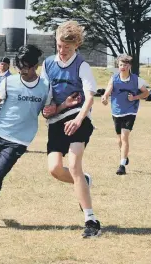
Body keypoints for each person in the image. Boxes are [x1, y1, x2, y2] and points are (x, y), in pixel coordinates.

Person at [0, 44, 81, 229]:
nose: (22, 71)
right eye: (19, 66)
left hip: (19, 141)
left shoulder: (45, 87)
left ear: (36, 66)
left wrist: (62, 107)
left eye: (26, 67)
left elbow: (47, 113)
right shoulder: (9, 82)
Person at [41, 20, 101, 238]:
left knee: (74, 166)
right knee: (55, 170)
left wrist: (78, 119)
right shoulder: (48, 64)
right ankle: (84, 182)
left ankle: (91, 220)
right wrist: (48, 109)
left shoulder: (82, 65)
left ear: (76, 45)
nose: (62, 51)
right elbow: (45, 95)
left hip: (79, 119)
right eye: (59, 45)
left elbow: (90, 98)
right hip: (57, 121)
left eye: (67, 47)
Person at [101, 54, 149, 175]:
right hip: (116, 111)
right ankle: (124, 156)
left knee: (124, 137)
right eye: (121, 65)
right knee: (119, 140)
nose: (123, 67)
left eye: (125, 65)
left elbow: (146, 93)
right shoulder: (114, 78)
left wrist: (135, 97)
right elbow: (108, 91)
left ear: (129, 66)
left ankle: (122, 165)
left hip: (130, 111)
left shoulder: (136, 80)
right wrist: (105, 97)